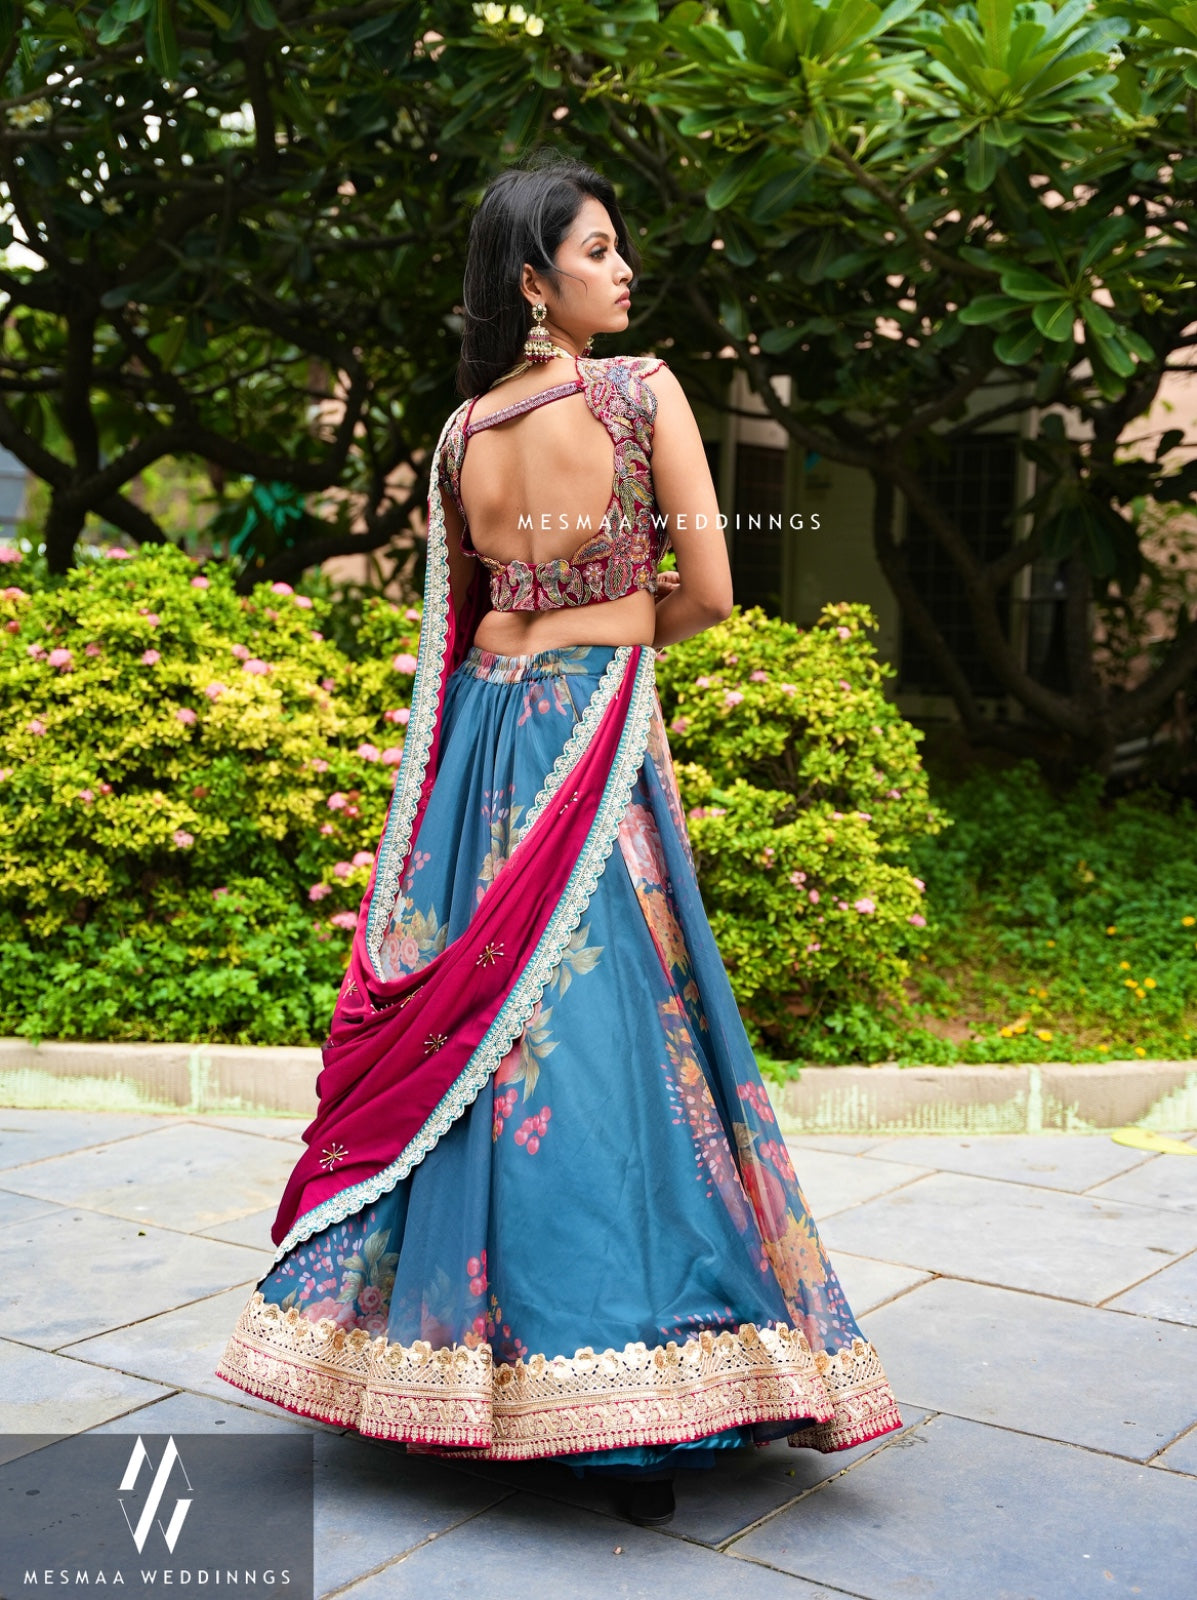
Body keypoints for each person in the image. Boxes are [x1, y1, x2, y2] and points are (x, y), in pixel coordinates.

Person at [216, 157, 900, 1527]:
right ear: (536, 283)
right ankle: (630, 1397)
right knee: (608, 1042)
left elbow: (460, 618)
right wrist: (619, 630)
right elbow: (704, 590)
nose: (623, 271)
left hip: (482, 749)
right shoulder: (640, 392)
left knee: (484, 1040)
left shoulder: (460, 434)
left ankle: (439, 1367)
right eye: (598, 252)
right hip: (586, 736)